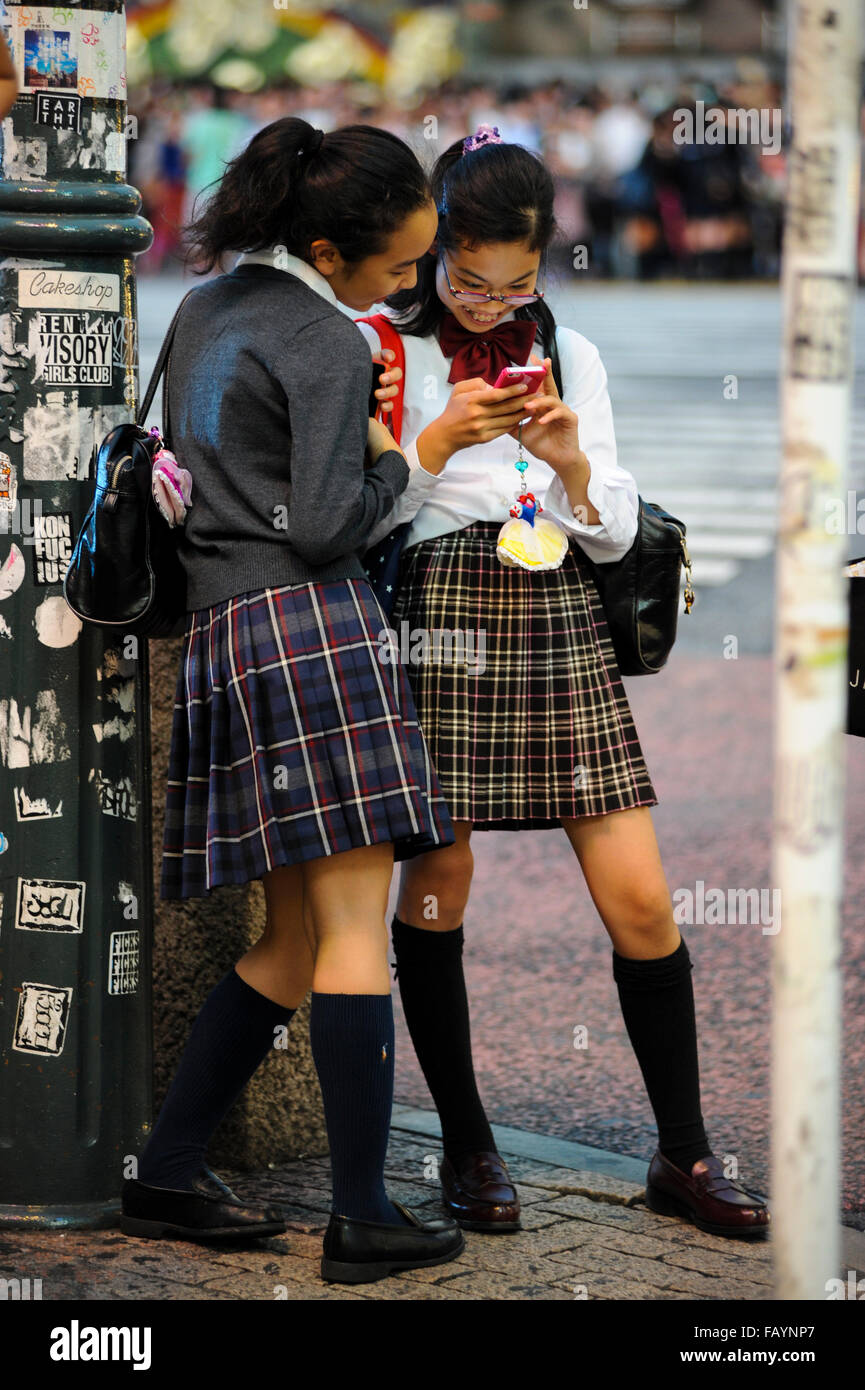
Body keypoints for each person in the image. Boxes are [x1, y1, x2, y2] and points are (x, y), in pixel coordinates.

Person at [355, 128, 771, 1241]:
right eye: (467, 280)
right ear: (435, 248)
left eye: (517, 282)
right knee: (437, 884)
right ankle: (469, 1144)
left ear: (545, 261)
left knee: (639, 896)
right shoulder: (387, 348)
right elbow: (362, 519)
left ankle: (682, 1151)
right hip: (439, 623)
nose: (491, 305)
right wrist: (436, 440)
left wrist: (575, 462)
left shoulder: (569, 352)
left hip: (551, 621)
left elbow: (613, 532)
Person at [119, 118, 466, 1286]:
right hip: (312, 635)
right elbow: (324, 524)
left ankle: (168, 1164)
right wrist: (406, 458)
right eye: (402, 266)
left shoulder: (205, 305)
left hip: (224, 634)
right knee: (356, 931)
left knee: (293, 934)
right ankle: (362, 1216)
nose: (409, 284)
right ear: (330, 247)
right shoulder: (321, 337)